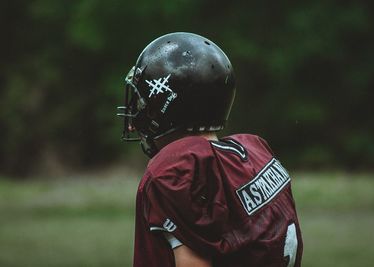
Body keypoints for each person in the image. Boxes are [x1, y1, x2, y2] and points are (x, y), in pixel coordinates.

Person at [117, 32, 303, 267]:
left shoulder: (176, 171)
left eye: (144, 104)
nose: (134, 121)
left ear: (168, 106)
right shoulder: (256, 152)